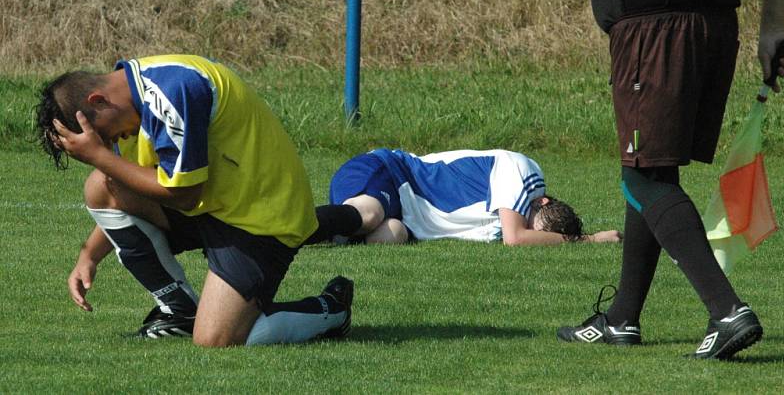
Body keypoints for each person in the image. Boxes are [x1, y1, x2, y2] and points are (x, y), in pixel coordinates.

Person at [558, 0, 784, 360]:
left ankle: (726, 310)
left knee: (643, 177)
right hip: (715, 31)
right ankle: (622, 318)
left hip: (653, 36)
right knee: (652, 168)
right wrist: (772, 25)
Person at [35, 54, 354, 347]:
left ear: (98, 101)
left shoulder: (174, 90)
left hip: (260, 218)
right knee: (100, 185)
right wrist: (89, 255)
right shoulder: (130, 104)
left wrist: (100, 156)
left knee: (216, 339)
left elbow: (183, 195)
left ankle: (331, 310)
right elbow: (131, 183)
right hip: (213, 207)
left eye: (104, 135)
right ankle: (179, 310)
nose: (110, 143)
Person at [305, 148, 622, 246]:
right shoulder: (523, 172)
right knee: (369, 215)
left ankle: (336, 234)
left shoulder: (518, 207)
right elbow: (515, 238)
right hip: (387, 170)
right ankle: (289, 230)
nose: (525, 229)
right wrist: (589, 240)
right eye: (532, 223)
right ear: (541, 201)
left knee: (391, 234)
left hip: (405, 216)